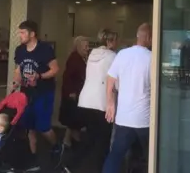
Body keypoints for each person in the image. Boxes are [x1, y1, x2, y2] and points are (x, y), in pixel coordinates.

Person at [12, 20, 64, 169]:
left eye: (22, 33)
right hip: (26, 93)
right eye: (19, 32)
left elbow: (55, 69)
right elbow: (18, 70)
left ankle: (56, 146)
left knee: (43, 126)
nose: (19, 35)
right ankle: (34, 158)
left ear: (32, 34)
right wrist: (16, 82)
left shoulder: (45, 49)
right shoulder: (19, 50)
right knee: (29, 126)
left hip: (44, 92)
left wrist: (39, 76)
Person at [102, 23, 152, 173]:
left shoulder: (122, 54)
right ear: (149, 38)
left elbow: (110, 80)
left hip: (123, 118)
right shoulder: (152, 58)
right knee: (144, 158)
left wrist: (110, 104)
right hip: (144, 120)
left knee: (115, 156)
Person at [77, 29, 118, 172]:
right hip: (101, 102)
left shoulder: (92, 54)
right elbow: (115, 80)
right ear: (110, 41)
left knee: (90, 136)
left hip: (86, 100)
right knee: (103, 139)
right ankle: (99, 168)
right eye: (115, 40)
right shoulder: (113, 56)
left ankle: (74, 164)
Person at [59, 36, 89, 148]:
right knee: (74, 118)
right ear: (78, 47)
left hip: (77, 94)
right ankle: (70, 141)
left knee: (75, 119)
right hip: (73, 95)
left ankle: (72, 140)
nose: (87, 48)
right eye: (85, 46)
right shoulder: (74, 59)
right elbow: (67, 77)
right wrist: (71, 92)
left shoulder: (80, 58)